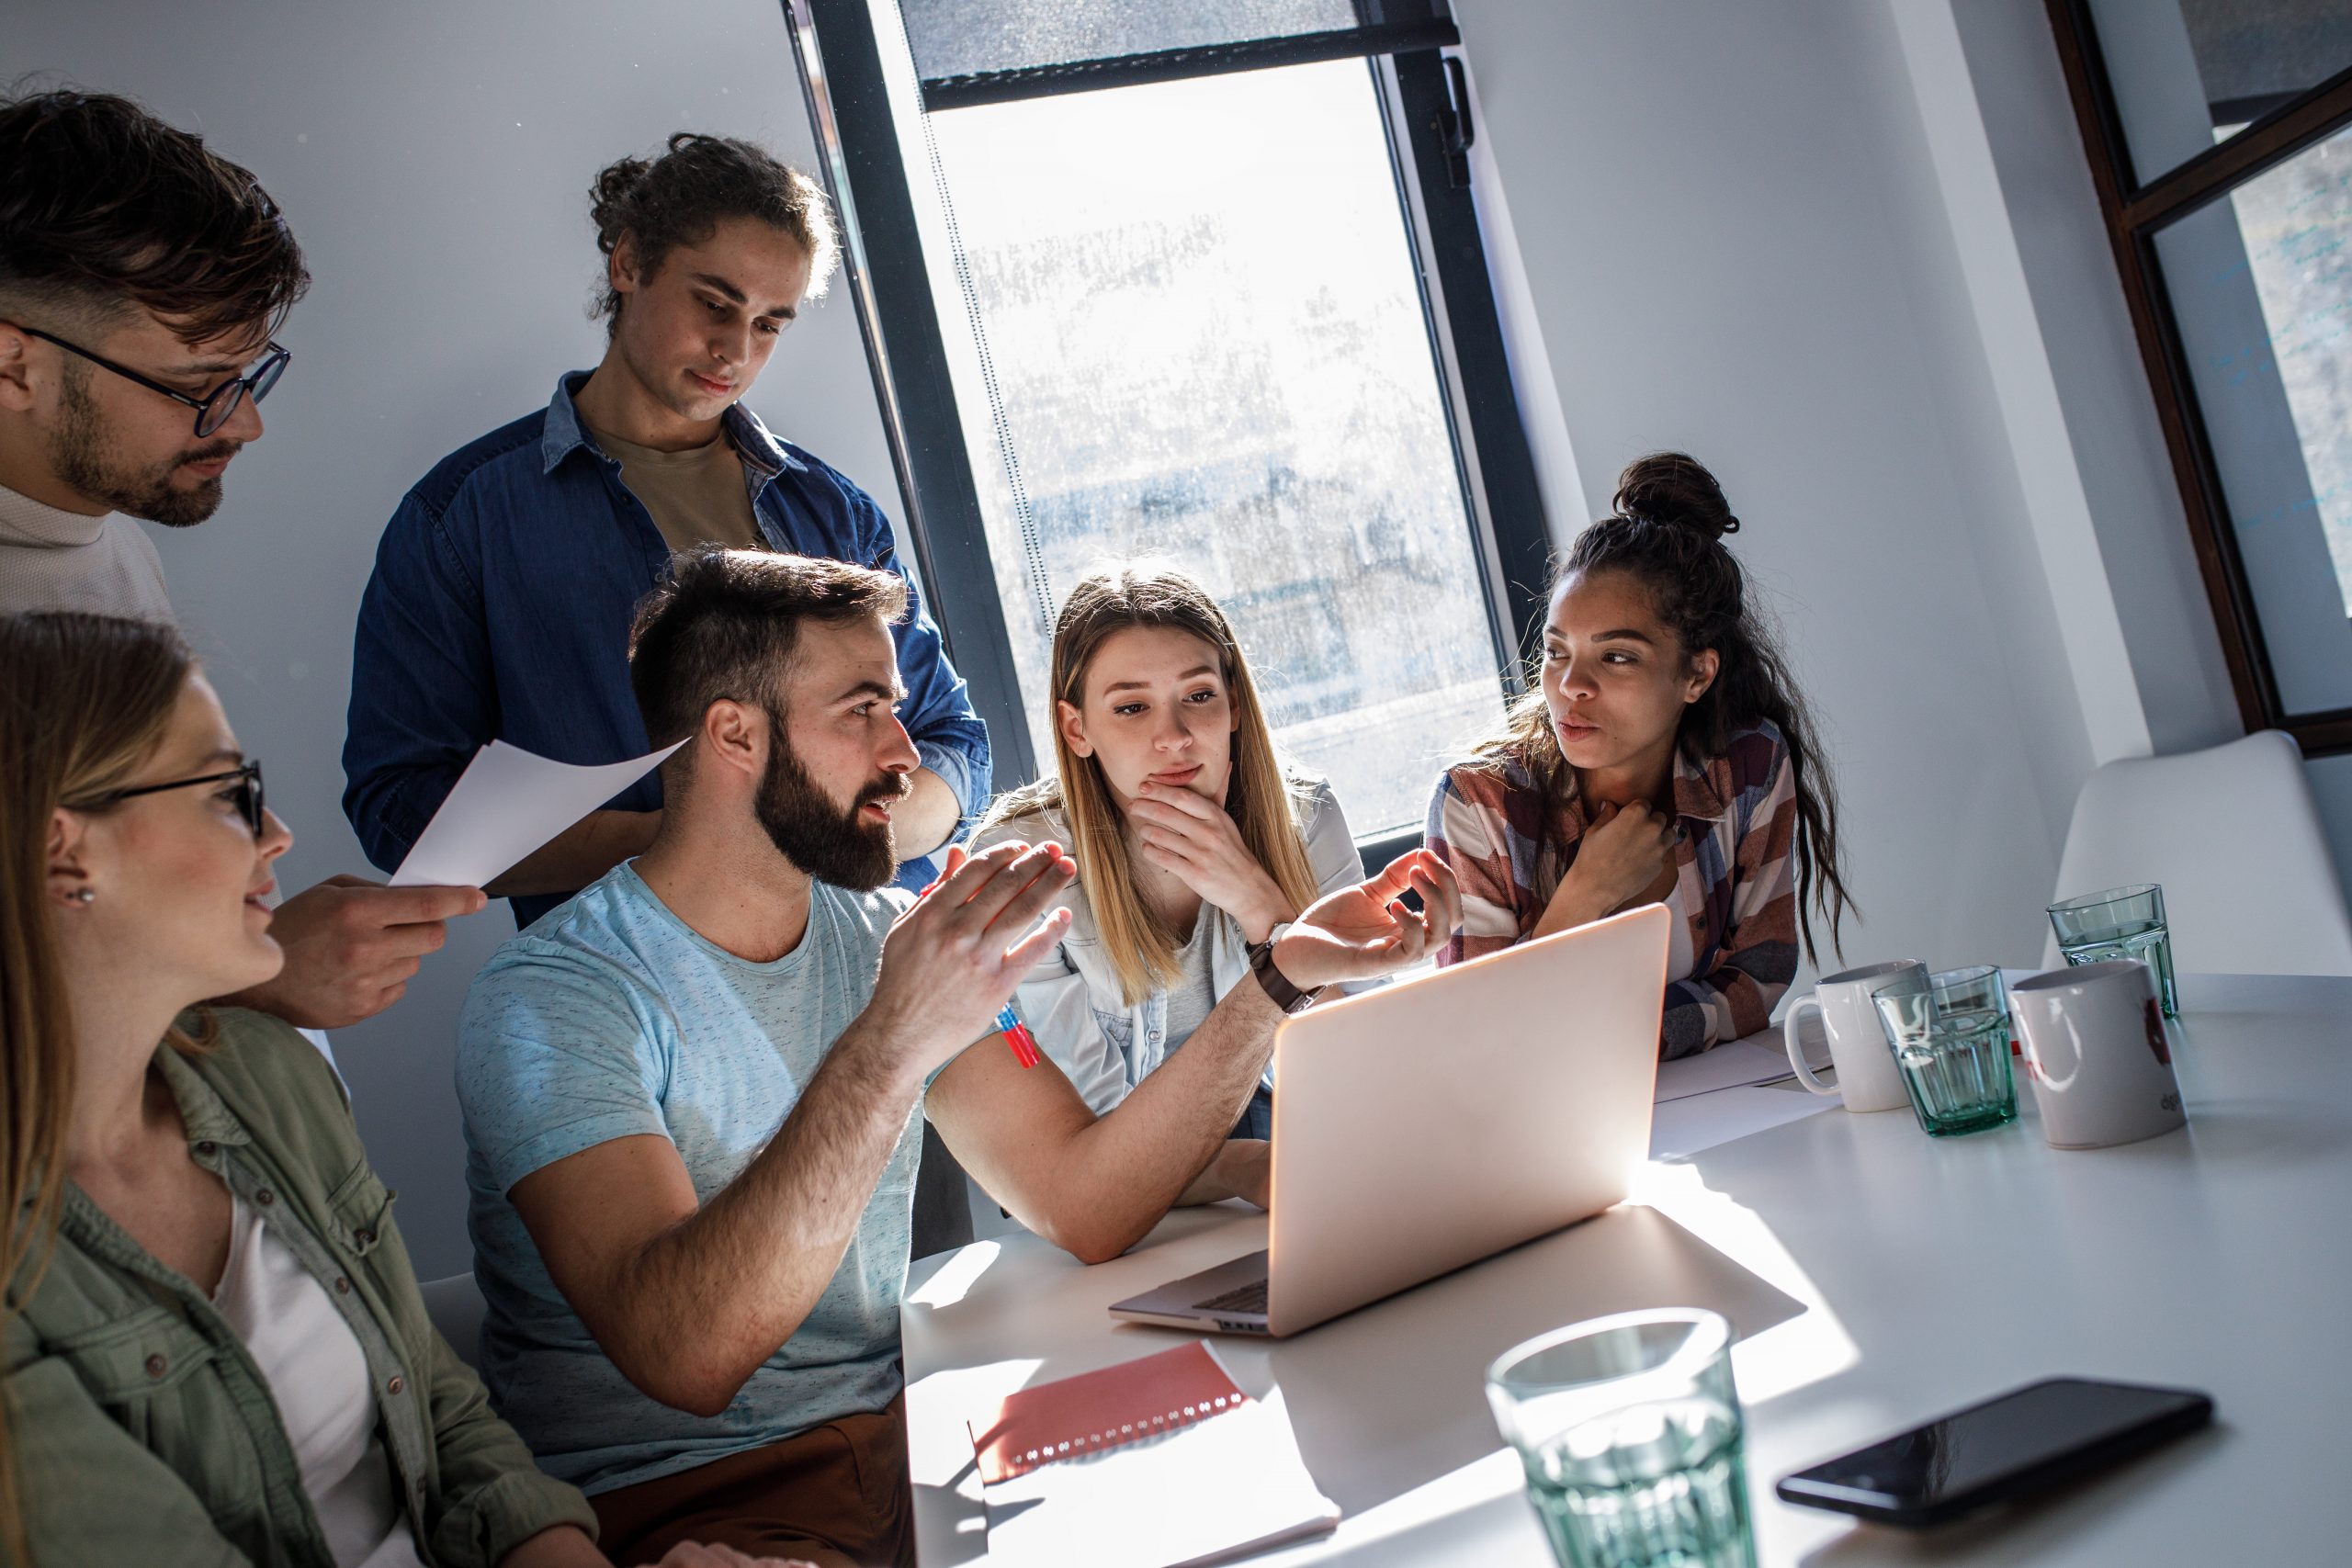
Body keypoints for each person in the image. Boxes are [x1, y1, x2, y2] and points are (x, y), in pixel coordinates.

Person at [455, 547, 1445, 1563]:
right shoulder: (556, 998)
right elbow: (688, 1355)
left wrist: (1273, 981)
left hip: (914, 1445)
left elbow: (1086, 1203)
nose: (904, 754)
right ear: (734, 735)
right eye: (862, 711)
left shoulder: (893, 933)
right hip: (699, 1505)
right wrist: (894, 1037)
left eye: (896, 707)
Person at [0, 610, 810, 1568]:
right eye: (229, 794)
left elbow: (445, 1413)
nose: (277, 835)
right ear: (65, 851)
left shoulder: (269, 1077)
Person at [345, 132, 988, 933]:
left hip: (873, 960)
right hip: (638, 994)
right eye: (714, 305)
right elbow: (401, 810)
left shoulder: (830, 510)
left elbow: (957, 748)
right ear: (629, 262)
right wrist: (693, 841)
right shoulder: (463, 517)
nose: (736, 350)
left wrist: (849, 839)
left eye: (769, 325)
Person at [0, 89, 482, 1035]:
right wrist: (248, 976)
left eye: (248, 378)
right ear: (14, 365)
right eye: (195, 388)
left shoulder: (109, 536)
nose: (246, 422)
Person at [944, 564, 1460, 1259]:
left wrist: (1261, 904)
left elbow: (1371, 1088)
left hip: (1294, 1141)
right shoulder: (1024, 865)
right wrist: (1245, 1165)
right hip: (1113, 1205)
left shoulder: (1304, 818)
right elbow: (1097, 1146)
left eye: (1198, 696)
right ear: (1076, 728)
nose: (1176, 736)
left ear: (1235, 705)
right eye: (1132, 708)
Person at [1425, 452, 1854, 1056]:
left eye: (1617, 656)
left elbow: (1760, 973)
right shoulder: (1479, 807)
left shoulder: (1748, 767)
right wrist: (1583, 896)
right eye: (1556, 651)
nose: (1571, 684)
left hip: (1720, 1114)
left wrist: (1612, 1039)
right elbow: (1476, 1041)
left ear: (1697, 675)